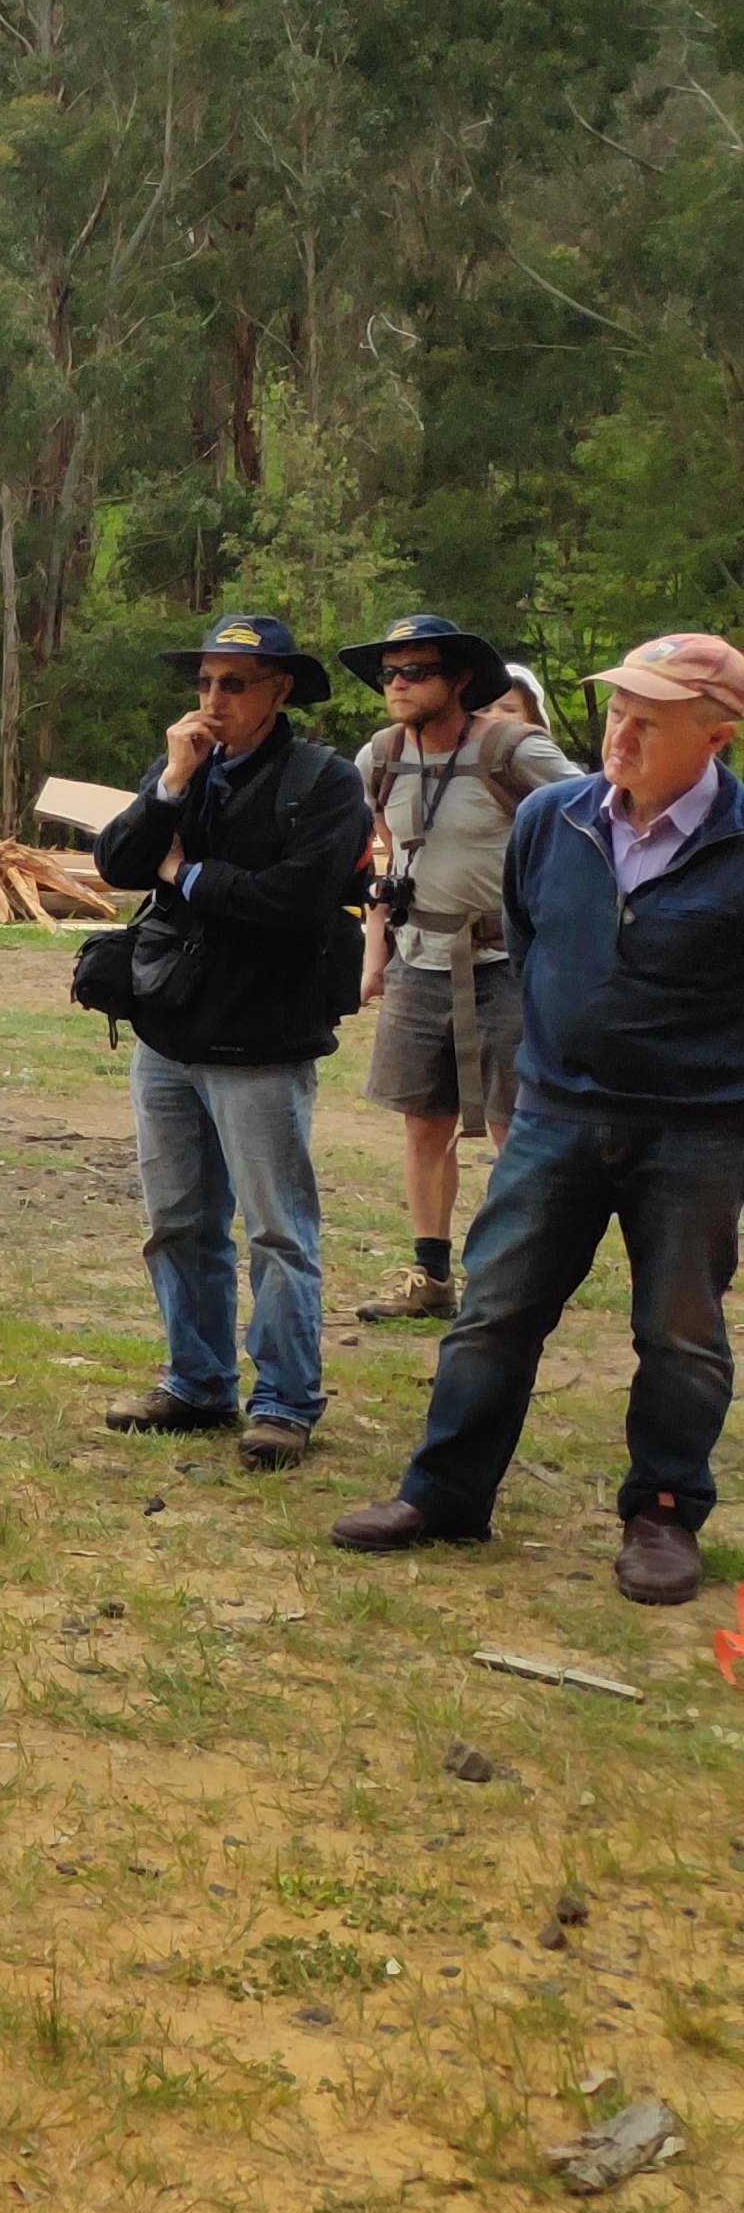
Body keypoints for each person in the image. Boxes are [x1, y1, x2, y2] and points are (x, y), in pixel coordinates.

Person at [331, 632, 744, 1605]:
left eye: (653, 719)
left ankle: (664, 1513)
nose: (624, 732)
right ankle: (445, 1495)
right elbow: (528, 932)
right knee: (492, 1312)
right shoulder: (555, 818)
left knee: (680, 1333)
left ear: (717, 736)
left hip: (697, 1127)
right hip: (556, 1109)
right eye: (619, 710)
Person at [88, 614, 373, 1466]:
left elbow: (292, 901)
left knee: (278, 1232)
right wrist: (172, 785)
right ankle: (196, 1382)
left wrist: (190, 874)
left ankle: (285, 1400)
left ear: (280, 690)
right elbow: (116, 862)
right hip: (168, 1037)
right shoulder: (185, 770)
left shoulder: (324, 784)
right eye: (205, 683)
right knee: (177, 1221)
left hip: (264, 1040)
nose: (213, 700)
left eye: (234, 683)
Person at [336, 613, 581, 1321]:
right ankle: (431, 1276)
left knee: (515, 1128)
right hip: (420, 960)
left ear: (460, 681)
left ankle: (513, 1281)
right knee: (423, 1123)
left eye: (416, 672)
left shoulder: (514, 748)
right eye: (389, 673)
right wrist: (376, 949)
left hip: (508, 962)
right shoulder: (379, 756)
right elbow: (382, 852)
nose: (398, 684)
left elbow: (594, 818)